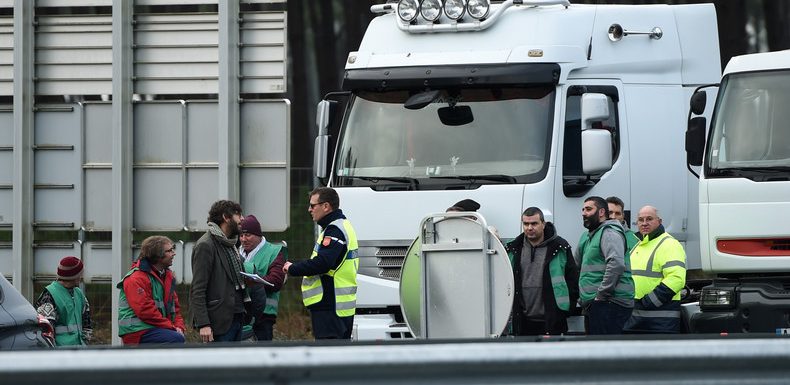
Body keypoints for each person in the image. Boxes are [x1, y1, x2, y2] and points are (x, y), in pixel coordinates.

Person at [283, 187, 359, 339]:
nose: (309, 209)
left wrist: (293, 268)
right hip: (339, 306)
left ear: (326, 206)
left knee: (329, 356)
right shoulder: (341, 227)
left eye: (313, 205)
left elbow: (323, 263)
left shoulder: (334, 230)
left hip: (330, 305)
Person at [506, 207, 579, 335]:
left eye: (534, 223)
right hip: (522, 321)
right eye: (526, 224)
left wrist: (567, 309)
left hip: (553, 320)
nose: (529, 228)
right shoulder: (514, 248)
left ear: (543, 224)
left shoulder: (560, 247)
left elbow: (572, 279)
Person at [190, 200, 247, 343]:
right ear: (226, 217)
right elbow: (198, 289)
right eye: (238, 215)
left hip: (237, 316)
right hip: (218, 322)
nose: (242, 219)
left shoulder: (231, 243)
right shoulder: (205, 245)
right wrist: (204, 324)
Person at [623, 205, 687, 333]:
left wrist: (648, 302)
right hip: (636, 319)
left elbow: (676, 279)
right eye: (641, 220)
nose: (644, 223)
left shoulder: (669, 244)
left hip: (660, 320)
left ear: (659, 221)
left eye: (649, 219)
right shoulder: (638, 245)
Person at [577, 196, 634, 334]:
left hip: (610, 303)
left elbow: (616, 264)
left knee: (604, 351)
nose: (584, 213)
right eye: (583, 209)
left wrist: (601, 295)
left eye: (589, 209)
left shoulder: (609, 232)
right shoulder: (592, 235)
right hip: (599, 303)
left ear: (602, 212)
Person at [117, 236, 186, 344]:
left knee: (177, 338)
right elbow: (145, 311)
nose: (174, 253)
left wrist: (179, 327)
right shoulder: (136, 278)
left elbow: (175, 308)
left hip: (157, 328)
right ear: (157, 255)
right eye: (169, 250)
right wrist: (172, 327)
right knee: (175, 339)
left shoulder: (167, 276)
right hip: (137, 331)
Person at [239, 214, 287, 341]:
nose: (243, 239)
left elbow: (276, 282)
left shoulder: (275, 252)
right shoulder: (235, 251)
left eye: (248, 235)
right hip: (240, 314)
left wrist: (253, 279)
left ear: (259, 235)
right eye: (241, 235)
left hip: (264, 316)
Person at [35, 256, 93, 346]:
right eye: (80, 274)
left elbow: (87, 324)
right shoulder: (49, 296)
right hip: (60, 354)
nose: (82, 277)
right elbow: (45, 330)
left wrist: (85, 343)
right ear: (74, 276)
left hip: (80, 351)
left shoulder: (79, 294)